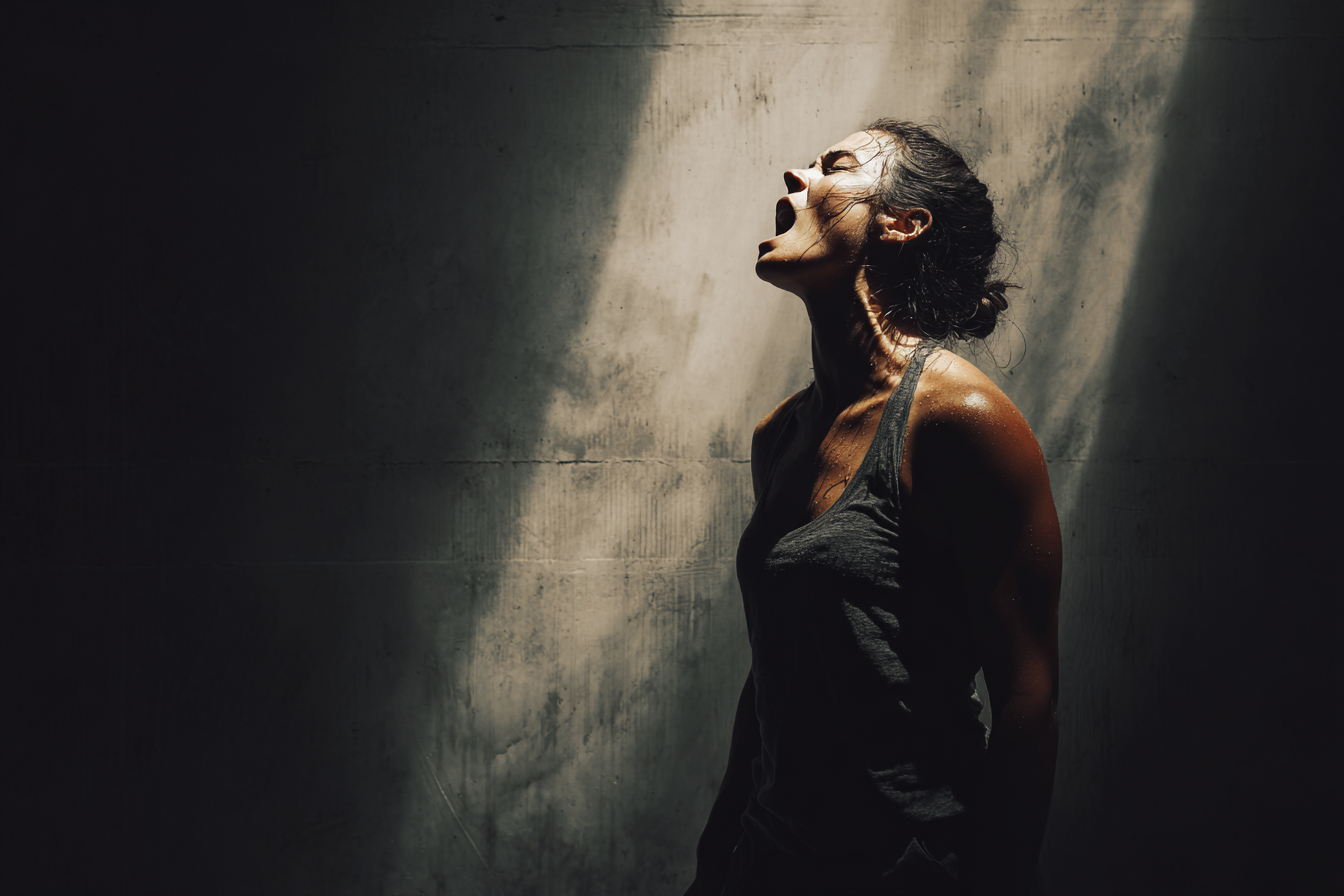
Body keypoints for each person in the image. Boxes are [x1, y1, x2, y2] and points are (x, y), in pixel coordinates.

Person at [686, 120, 1061, 895]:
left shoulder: (960, 419)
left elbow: (1027, 694)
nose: (796, 176)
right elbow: (775, 672)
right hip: (770, 863)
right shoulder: (781, 434)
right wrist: (715, 857)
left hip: (906, 867)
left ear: (901, 221)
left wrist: (996, 877)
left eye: (835, 166)